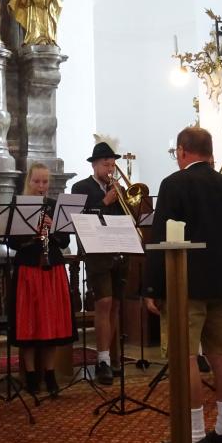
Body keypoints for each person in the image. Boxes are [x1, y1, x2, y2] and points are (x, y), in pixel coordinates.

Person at [143, 125, 222, 443]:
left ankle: (195, 436)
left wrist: (152, 288)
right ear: (210, 152)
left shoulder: (174, 184)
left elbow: (161, 240)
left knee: (185, 357)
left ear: (182, 151)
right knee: (221, 355)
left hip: (185, 283)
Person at [6, 163, 74, 398]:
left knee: (50, 324)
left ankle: (50, 374)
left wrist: (52, 229)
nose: (41, 186)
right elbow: (12, 243)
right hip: (28, 268)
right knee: (29, 324)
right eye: (37, 182)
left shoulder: (55, 207)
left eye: (45, 182)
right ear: (29, 181)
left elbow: (64, 241)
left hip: (51, 268)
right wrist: (30, 233)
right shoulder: (19, 206)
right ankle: (32, 377)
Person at [70, 142, 127, 385]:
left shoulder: (119, 188)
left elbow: (127, 217)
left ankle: (112, 358)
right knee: (103, 303)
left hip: (118, 251)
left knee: (115, 305)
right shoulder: (81, 187)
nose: (110, 168)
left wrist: (124, 200)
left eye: (113, 164)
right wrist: (105, 201)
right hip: (96, 253)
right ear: (94, 165)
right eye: (106, 164)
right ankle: (101, 359)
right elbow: (80, 219)